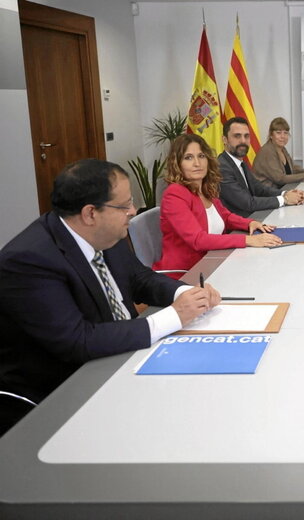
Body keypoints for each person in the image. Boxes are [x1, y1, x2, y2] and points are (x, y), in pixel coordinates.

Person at [0, 159, 221, 434]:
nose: (133, 211)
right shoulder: (29, 261)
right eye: (124, 205)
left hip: (125, 356)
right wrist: (174, 316)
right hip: (67, 394)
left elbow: (139, 278)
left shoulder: (105, 232)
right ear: (90, 213)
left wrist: (186, 292)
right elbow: (78, 341)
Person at [154, 134, 282, 278]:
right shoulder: (175, 194)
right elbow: (198, 240)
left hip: (213, 263)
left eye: (201, 156)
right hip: (187, 274)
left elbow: (225, 216)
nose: (197, 163)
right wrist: (248, 240)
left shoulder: (205, 188)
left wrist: (250, 223)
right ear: (177, 163)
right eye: (188, 158)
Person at [219, 117, 304, 217]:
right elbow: (248, 203)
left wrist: (285, 193)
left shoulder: (241, 163)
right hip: (238, 227)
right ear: (225, 140)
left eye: (246, 136)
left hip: (254, 217)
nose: (243, 141)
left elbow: (260, 189)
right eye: (237, 136)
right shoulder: (222, 167)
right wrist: (284, 199)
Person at [252, 117, 304, 189]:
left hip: (281, 190)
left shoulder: (282, 149)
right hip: (266, 195)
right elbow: (280, 178)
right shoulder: (267, 152)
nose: (283, 136)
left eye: (285, 133)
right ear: (271, 135)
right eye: (278, 133)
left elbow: (292, 169)